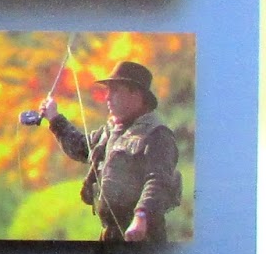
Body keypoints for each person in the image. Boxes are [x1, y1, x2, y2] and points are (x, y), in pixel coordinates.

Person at [39, 60, 182, 242]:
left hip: (142, 236)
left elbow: (158, 181)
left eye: (114, 91)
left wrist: (141, 217)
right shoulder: (110, 131)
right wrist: (54, 118)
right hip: (110, 234)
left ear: (136, 94)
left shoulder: (157, 134)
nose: (107, 97)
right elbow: (81, 147)